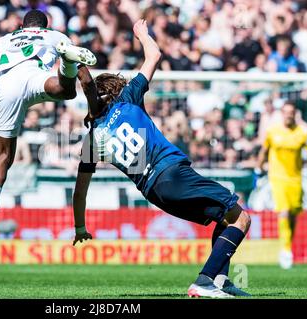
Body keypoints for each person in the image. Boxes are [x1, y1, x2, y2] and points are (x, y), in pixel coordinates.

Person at [72, 20, 251, 298]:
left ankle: (219, 281)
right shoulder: (127, 100)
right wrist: (142, 34)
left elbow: (80, 191)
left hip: (155, 193)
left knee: (225, 219)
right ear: (114, 91)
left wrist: (80, 227)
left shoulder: (92, 139)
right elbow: (154, 55)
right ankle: (204, 281)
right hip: (171, 173)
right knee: (241, 219)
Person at [0, 9, 96, 248]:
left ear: (22, 25)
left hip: (7, 86)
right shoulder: (54, 36)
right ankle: (67, 63)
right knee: (67, 91)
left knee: (3, 156)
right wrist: (94, 111)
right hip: (37, 78)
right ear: (46, 25)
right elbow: (87, 80)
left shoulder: (5, 40)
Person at [256, 101, 307, 269]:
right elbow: (263, 151)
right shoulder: (272, 132)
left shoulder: (302, 133)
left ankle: (287, 245)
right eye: (286, 112)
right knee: (283, 211)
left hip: (295, 179)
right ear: (282, 113)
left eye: (291, 112)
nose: (288, 115)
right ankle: (285, 250)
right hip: (277, 177)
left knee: (292, 215)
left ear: (295, 113)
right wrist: (258, 167)